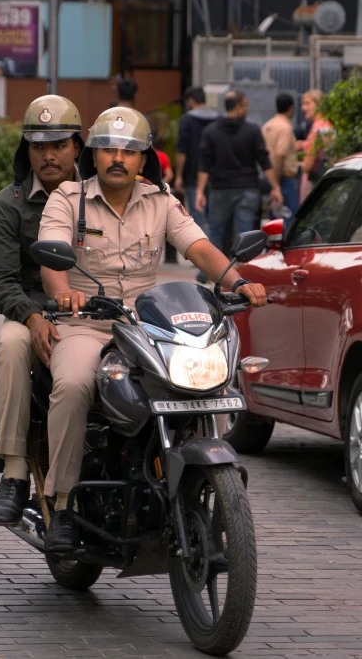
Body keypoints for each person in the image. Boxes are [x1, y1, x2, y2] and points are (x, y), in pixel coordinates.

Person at [37, 106, 268, 551]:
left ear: (144, 159)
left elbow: (199, 248)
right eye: (107, 149)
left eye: (129, 150)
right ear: (94, 155)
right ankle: (63, 502)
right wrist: (65, 291)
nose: (117, 158)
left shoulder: (161, 202)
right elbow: (53, 260)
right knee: (72, 384)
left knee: (203, 381)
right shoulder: (67, 198)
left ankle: (198, 479)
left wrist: (240, 282)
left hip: (145, 326)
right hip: (87, 323)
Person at [0, 95, 84, 527]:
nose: (49, 155)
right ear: (26, 150)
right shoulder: (8, 204)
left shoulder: (100, 196)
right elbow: (0, 282)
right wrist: (32, 316)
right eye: (39, 145)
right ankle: (13, 472)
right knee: (8, 344)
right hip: (32, 312)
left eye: (59, 144)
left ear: (78, 148)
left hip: (95, 313)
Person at [195, 90, 283, 253]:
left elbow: (204, 164)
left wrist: (200, 191)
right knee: (245, 233)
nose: (248, 108)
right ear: (238, 107)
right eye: (246, 104)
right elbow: (264, 161)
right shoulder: (253, 131)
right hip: (247, 188)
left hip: (220, 189)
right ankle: (241, 271)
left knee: (215, 232)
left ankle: (212, 272)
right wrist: (275, 187)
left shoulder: (211, 131)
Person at [174, 86, 218, 228]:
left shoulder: (187, 120)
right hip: (216, 175)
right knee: (215, 218)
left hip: (192, 174)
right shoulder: (218, 120)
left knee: (197, 215)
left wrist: (179, 175)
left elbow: (182, 150)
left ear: (191, 101)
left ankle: (199, 247)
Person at [261, 93, 299, 218]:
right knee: (288, 216)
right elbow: (279, 156)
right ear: (291, 108)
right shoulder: (285, 128)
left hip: (268, 176)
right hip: (282, 178)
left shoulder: (267, 125)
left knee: (275, 216)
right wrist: (276, 186)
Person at [297, 89, 334, 203]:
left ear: (318, 105)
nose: (303, 108)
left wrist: (298, 164)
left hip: (313, 183)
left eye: (307, 103)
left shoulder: (317, 127)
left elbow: (308, 163)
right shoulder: (327, 124)